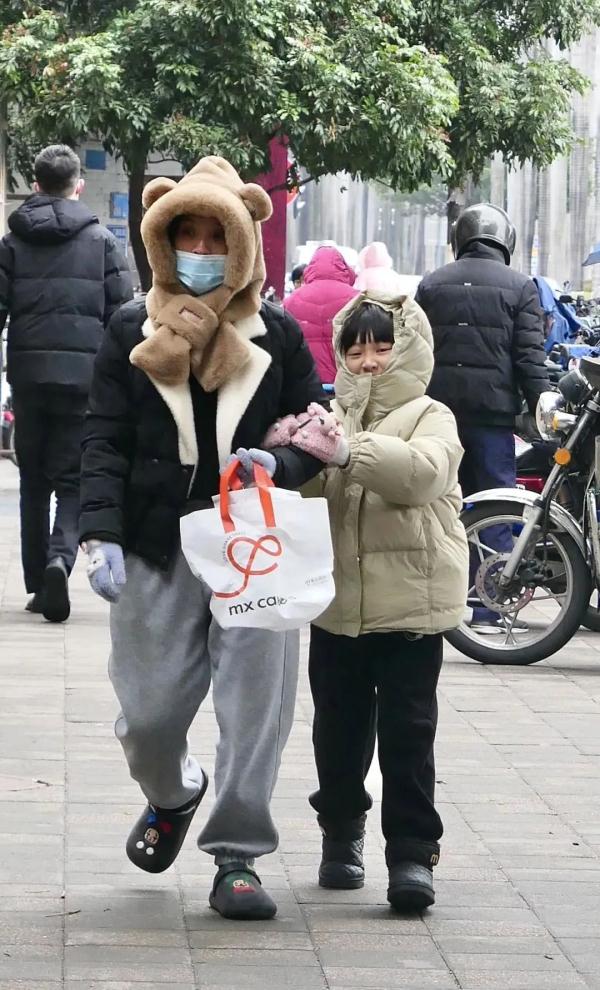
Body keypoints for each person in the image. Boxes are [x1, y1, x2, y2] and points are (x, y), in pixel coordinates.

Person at [79, 156, 324, 921]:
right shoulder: (129, 328)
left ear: (243, 242)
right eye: (184, 233)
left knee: (257, 707)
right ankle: (173, 793)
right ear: (159, 240)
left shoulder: (276, 333)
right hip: (155, 542)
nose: (200, 249)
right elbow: (103, 438)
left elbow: (312, 432)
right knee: (147, 715)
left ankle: (239, 857)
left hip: (254, 545)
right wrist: (100, 532)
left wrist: (277, 461)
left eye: (215, 236)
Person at [264, 294, 468, 911]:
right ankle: (340, 833)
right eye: (356, 349)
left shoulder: (432, 415)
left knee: (408, 734)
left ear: (407, 350)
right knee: (338, 732)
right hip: (337, 607)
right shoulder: (329, 415)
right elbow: (310, 485)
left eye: (383, 346)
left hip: (411, 605)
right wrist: (284, 452)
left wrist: (347, 453)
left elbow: (421, 476)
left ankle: (411, 854)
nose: (370, 360)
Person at [0, 144, 133, 622]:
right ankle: (62, 558)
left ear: (35, 185)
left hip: (30, 380)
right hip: (84, 382)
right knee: (74, 481)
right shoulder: (101, 241)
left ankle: (38, 582)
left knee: (32, 480)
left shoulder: (12, 243)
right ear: (78, 185)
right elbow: (122, 317)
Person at [415, 204, 549, 633]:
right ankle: (490, 608)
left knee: (441, 505)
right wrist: (539, 402)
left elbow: (413, 351)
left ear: (460, 239)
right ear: (504, 240)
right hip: (492, 420)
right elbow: (530, 357)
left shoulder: (433, 283)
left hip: (438, 416)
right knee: (495, 505)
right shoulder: (520, 285)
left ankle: (440, 602)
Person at [284, 245, 357, 384]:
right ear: (344, 268)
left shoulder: (291, 301)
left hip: (305, 382)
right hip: (346, 383)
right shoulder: (357, 299)